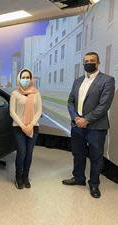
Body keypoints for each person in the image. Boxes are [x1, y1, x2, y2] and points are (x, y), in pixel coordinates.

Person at [62, 52, 115, 198]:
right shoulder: (78, 80)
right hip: (77, 125)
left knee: (96, 157)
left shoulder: (108, 80)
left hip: (96, 127)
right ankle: (79, 178)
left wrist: (86, 120)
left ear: (98, 63)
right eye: (86, 61)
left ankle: (94, 184)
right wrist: (75, 118)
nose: (88, 63)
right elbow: (70, 101)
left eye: (92, 61)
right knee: (78, 154)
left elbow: (104, 106)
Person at [10, 69, 42, 189]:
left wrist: (31, 125)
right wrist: (23, 126)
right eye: (23, 77)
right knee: (22, 153)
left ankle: (25, 177)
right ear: (19, 79)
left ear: (31, 79)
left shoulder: (36, 93)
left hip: (33, 128)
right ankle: (18, 177)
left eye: (28, 77)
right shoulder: (15, 94)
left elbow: (39, 111)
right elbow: (12, 112)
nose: (25, 79)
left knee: (29, 154)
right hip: (18, 128)